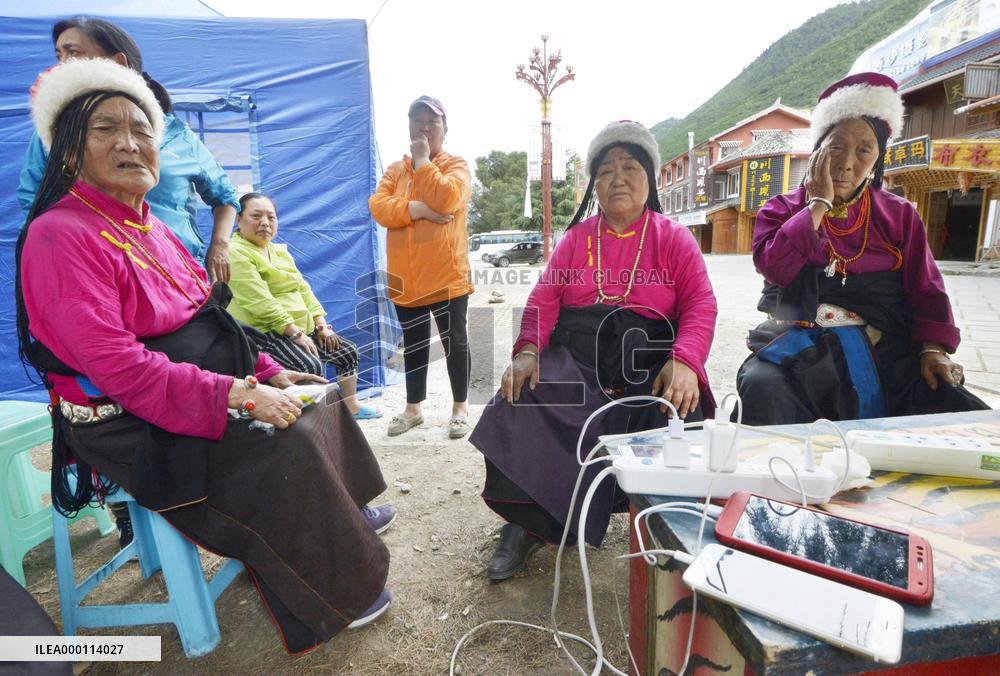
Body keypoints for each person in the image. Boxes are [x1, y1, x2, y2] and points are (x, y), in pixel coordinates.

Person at [16, 58, 393, 654]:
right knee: (282, 440)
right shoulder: (59, 234)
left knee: (313, 396)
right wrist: (240, 394)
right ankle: (329, 579)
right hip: (124, 415)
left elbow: (211, 321)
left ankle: (337, 522)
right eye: (106, 130)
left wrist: (269, 371)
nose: (131, 143)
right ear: (67, 152)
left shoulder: (154, 228)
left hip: (188, 380)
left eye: (143, 131)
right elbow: (117, 368)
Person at [469, 121, 718, 581]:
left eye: (629, 167)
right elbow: (545, 298)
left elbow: (701, 303)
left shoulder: (674, 237)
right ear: (594, 185)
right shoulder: (577, 239)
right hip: (580, 357)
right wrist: (527, 350)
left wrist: (685, 359)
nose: (618, 178)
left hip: (649, 360)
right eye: (605, 170)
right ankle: (525, 525)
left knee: (686, 413)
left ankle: (674, 533)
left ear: (650, 177)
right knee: (521, 399)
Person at [737, 72, 988, 425]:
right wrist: (818, 204)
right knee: (763, 386)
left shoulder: (898, 214)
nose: (846, 163)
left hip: (884, 347)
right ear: (818, 151)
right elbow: (776, 268)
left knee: (952, 404)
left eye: (864, 150)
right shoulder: (780, 210)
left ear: (877, 158)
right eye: (836, 146)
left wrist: (933, 349)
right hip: (800, 347)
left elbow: (926, 288)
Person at [18, 17, 239, 283]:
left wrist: (220, 246)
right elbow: (35, 201)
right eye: (59, 55)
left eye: (74, 53)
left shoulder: (177, 134)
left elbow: (224, 195)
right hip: (97, 275)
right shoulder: (55, 135)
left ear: (118, 63)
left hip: (177, 276)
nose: (62, 65)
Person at [369, 95, 474, 439]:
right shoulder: (396, 170)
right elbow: (379, 207)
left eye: (432, 121)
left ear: (445, 129)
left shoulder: (456, 165)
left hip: (446, 275)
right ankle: (413, 409)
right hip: (406, 278)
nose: (424, 127)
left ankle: (459, 408)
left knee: (454, 343)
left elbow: (448, 199)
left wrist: (424, 162)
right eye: (417, 120)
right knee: (413, 345)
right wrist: (419, 210)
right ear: (408, 126)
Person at [227, 192, 383, 421]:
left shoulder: (279, 251)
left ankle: (351, 406)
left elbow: (303, 288)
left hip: (299, 328)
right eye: (256, 216)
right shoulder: (235, 251)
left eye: (271, 217)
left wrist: (321, 325)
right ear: (238, 220)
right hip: (264, 332)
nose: (265, 223)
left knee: (347, 352)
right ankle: (311, 420)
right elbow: (260, 301)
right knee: (308, 364)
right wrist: (295, 333)